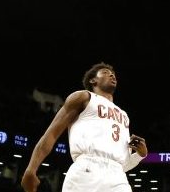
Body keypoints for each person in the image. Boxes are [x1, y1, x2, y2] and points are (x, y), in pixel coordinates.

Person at [21, 63, 148, 192]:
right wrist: (31, 168)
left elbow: (120, 164)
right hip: (86, 170)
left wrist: (139, 155)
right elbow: (51, 134)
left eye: (113, 74)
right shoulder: (83, 97)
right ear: (93, 80)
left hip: (118, 177)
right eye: (105, 72)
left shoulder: (124, 115)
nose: (111, 75)